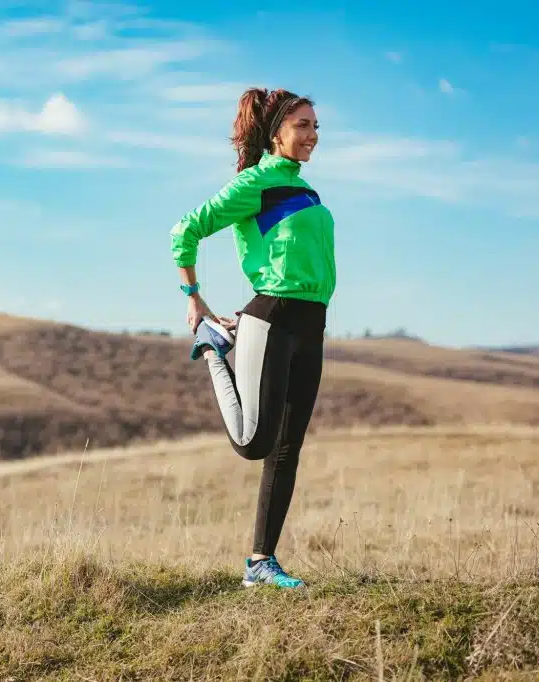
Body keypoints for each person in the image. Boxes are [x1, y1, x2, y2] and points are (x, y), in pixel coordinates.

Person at [169, 87, 336, 589]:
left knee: (287, 449)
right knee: (252, 443)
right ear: (276, 132)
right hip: (272, 316)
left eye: (316, 127)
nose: (312, 135)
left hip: (312, 323)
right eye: (302, 125)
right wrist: (194, 297)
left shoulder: (307, 192)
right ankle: (212, 347)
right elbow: (186, 230)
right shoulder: (255, 184)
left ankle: (259, 563)